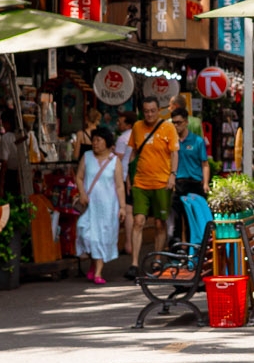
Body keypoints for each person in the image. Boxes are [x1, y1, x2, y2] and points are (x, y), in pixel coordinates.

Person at [128, 98, 181, 274]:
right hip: (141, 182)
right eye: (146, 111)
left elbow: (174, 153)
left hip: (162, 183)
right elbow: (134, 152)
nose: (149, 114)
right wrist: (129, 177)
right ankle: (134, 263)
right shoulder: (137, 127)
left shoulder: (168, 127)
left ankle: (157, 259)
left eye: (152, 110)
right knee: (138, 221)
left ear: (159, 110)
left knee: (159, 223)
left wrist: (172, 175)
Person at [76, 125, 125, 284]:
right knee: (85, 233)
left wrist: (123, 207)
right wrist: (82, 193)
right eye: (94, 140)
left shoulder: (114, 161)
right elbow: (79, 177)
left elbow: (119, 185)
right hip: (90, 206)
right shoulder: (87, 156)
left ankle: (98, 272)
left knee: (101, 239)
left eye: (98, 140)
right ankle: (93, 266)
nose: (95, 143)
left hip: (108, 207)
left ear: (107, 142)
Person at [174, 113, 210, 198]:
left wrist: (205, 184)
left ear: (186, 122)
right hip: (178, 183)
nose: (176, 125)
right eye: (174, 123)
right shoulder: (172, 141)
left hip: (195, 183)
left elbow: (205, 164)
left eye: (179, 122)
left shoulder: (198, 141)